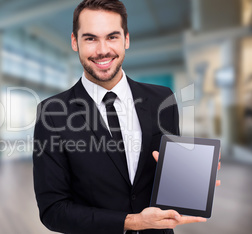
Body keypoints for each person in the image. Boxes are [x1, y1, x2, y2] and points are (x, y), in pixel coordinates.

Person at [32, 0, 219, 233]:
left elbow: (167, 180)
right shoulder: (52, 113)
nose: (102, 50)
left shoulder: (163, 99)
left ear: (126, 39)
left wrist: (191, 183)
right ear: (74, 42)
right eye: (90, 38)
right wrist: (131, 222)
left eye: (112, 37)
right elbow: (53, 210)